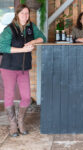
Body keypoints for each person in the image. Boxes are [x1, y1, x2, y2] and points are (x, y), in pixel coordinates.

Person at [0, 4, 46, 137]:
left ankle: (20, 121)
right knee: (9, 96)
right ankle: (13, 125)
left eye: (27, 13)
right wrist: (23, 50)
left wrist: (33, 42)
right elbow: (2, 47)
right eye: (22, 13)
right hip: (9, 68)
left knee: (26, 96)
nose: (25, 16)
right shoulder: (9, 29)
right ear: (17, 14)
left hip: (24, 68)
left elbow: (42, 37)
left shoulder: (31, 27)